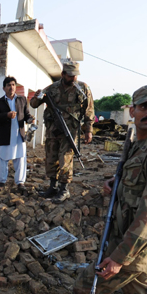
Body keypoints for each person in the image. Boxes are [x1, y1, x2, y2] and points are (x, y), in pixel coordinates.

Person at [70, 85, 147, 294]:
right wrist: (117, 184)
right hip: (129, 239)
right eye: (144, 107)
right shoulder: (142, 142)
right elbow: (138, 181)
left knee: (85, 289)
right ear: (133, 111)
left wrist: (120, 257)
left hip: (135, 245)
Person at [29, 60, 94, 203]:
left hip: (70, 131)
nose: (74, 78)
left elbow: (89, 111)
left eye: (75, 75)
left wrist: (88, 130)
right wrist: (37, 96)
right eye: (70, 75)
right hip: (53, 130)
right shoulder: (51, 88)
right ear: (63, 74)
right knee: (51, 158)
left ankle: (64, 190)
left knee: (65, 159)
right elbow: (34, 104)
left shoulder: (83, 88)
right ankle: (52, 187)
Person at [0, 76, 33, 192]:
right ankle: (1, 182)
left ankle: (20, 183)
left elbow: (27, 114)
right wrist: (6, 115)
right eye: (9, 85)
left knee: (20, 158)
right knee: (2, 159)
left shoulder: (22, 100)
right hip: (5, 135)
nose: (11, 87)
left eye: (13, 85)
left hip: (19, 135)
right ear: (4, 88)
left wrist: (30, 119)